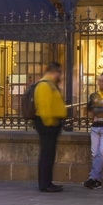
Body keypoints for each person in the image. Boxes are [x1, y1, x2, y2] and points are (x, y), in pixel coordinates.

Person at [32, 62, 67, 192]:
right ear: (54, 72)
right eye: (59, 73)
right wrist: (51, 123)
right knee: (46, 155)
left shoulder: (50, 85)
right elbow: (44, 108)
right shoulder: (44, 86)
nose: (61, 75)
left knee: (49, 154)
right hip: (47, 124)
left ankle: (47, 182)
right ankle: (45, 184)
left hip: (50, 124)